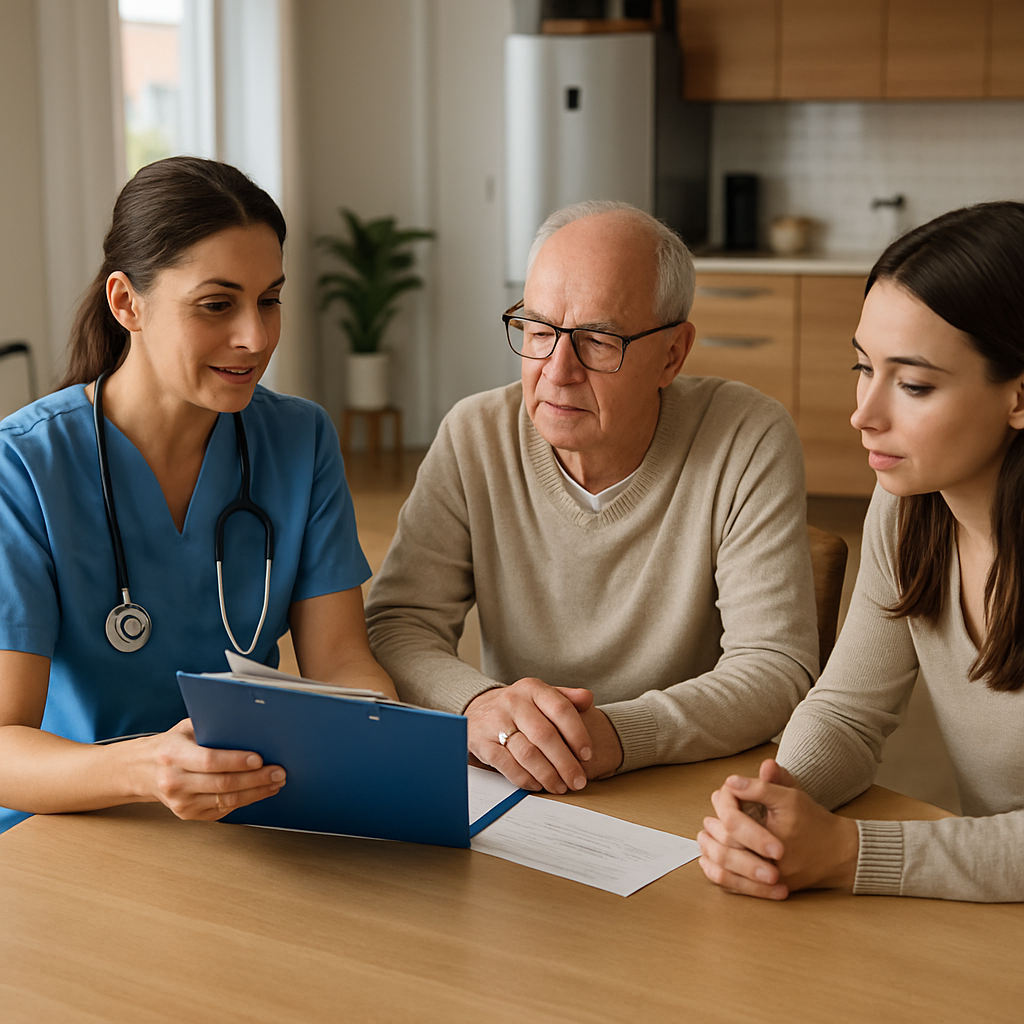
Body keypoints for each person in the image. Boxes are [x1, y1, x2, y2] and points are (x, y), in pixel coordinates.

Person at [365, 200, 818, 796]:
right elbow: (399, 624)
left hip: (683, 781)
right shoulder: (474, 434)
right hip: (517, 779)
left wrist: (618, 734)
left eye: (599, 340)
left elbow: (775, 666)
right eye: (538, 329)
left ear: (672, 355)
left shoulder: (745, 436)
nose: (557, 370)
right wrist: (478, 704)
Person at [0, 156, 396, 834]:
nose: (257, 337)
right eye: (218, 305)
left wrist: (374, 726)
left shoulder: (299, 440)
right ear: (126, 302)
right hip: (78, 825)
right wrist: (147, 769)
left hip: (250, 814)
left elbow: (342, 661)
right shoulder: (25, 465)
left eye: (269, 299)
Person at [698, 200, 1024, 903]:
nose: (864, 413)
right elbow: (848, 711)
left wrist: (849, 851)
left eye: (912, 384)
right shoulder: (907, 510)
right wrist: (777, 802)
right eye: (862, 367)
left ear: (1020, 394)